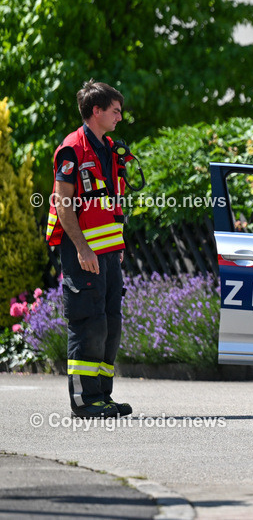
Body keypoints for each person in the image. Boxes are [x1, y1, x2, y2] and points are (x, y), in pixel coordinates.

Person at [45, 81, 130, 419]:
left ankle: (102, 396)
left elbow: (112, 201)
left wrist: (118, 245)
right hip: (84, 254)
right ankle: (84, 401)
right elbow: (64, 206)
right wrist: (82, 249)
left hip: (109, 252)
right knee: (88, 323)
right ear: (96, 111)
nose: (120, 117)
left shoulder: (109, 148)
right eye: (115, 111)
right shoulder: (71, 149)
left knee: (109, 324)